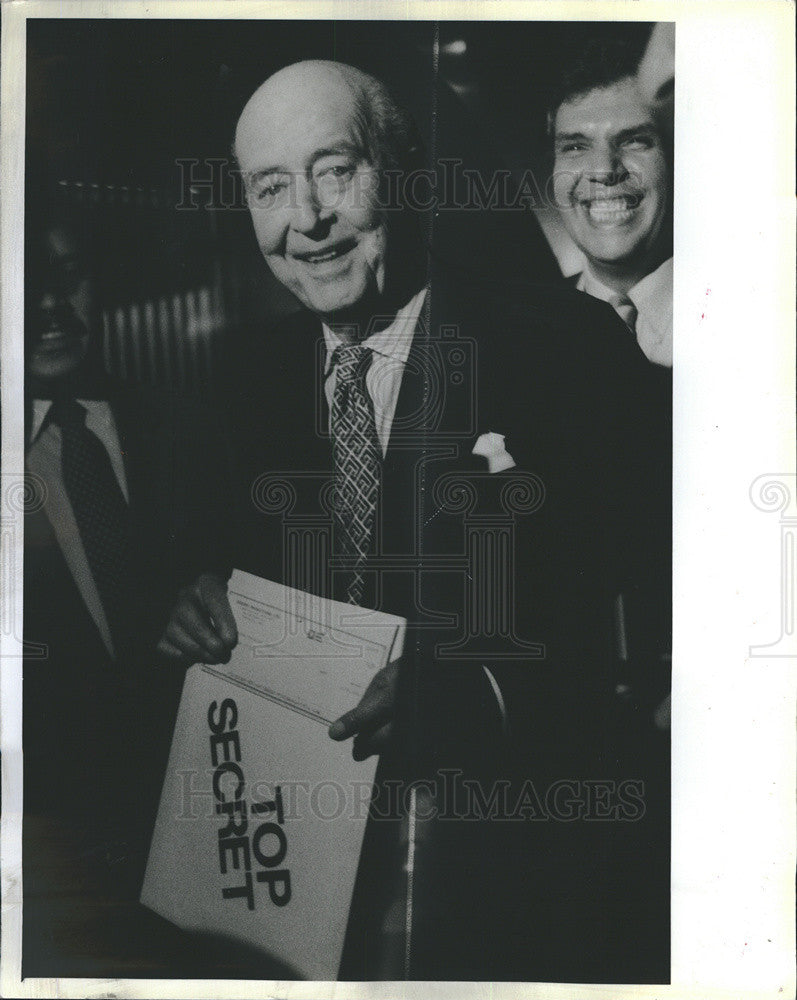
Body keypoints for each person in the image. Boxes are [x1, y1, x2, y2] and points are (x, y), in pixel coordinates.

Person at [158, 60, 667, 981]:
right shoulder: (239, 385)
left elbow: (648, 620)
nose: (305, 218)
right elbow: (213, 561)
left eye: (336, 170)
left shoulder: (566, 350)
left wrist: (475, 694)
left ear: (398, 170)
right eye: (271, 187)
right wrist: (196, 596)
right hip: (292, 884)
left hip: (511, 882)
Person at [22, 191, 234, 976]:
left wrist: (218, 587)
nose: (50, 304)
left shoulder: (185, 425)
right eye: (24, 276)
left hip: (208, 843)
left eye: (69, 272)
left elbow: (245, 573)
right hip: (47, 876)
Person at [550, 34, 673, 369]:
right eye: (575, 147)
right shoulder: (522, 330)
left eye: (635, 141)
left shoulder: (746, 312)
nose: (604, 170)